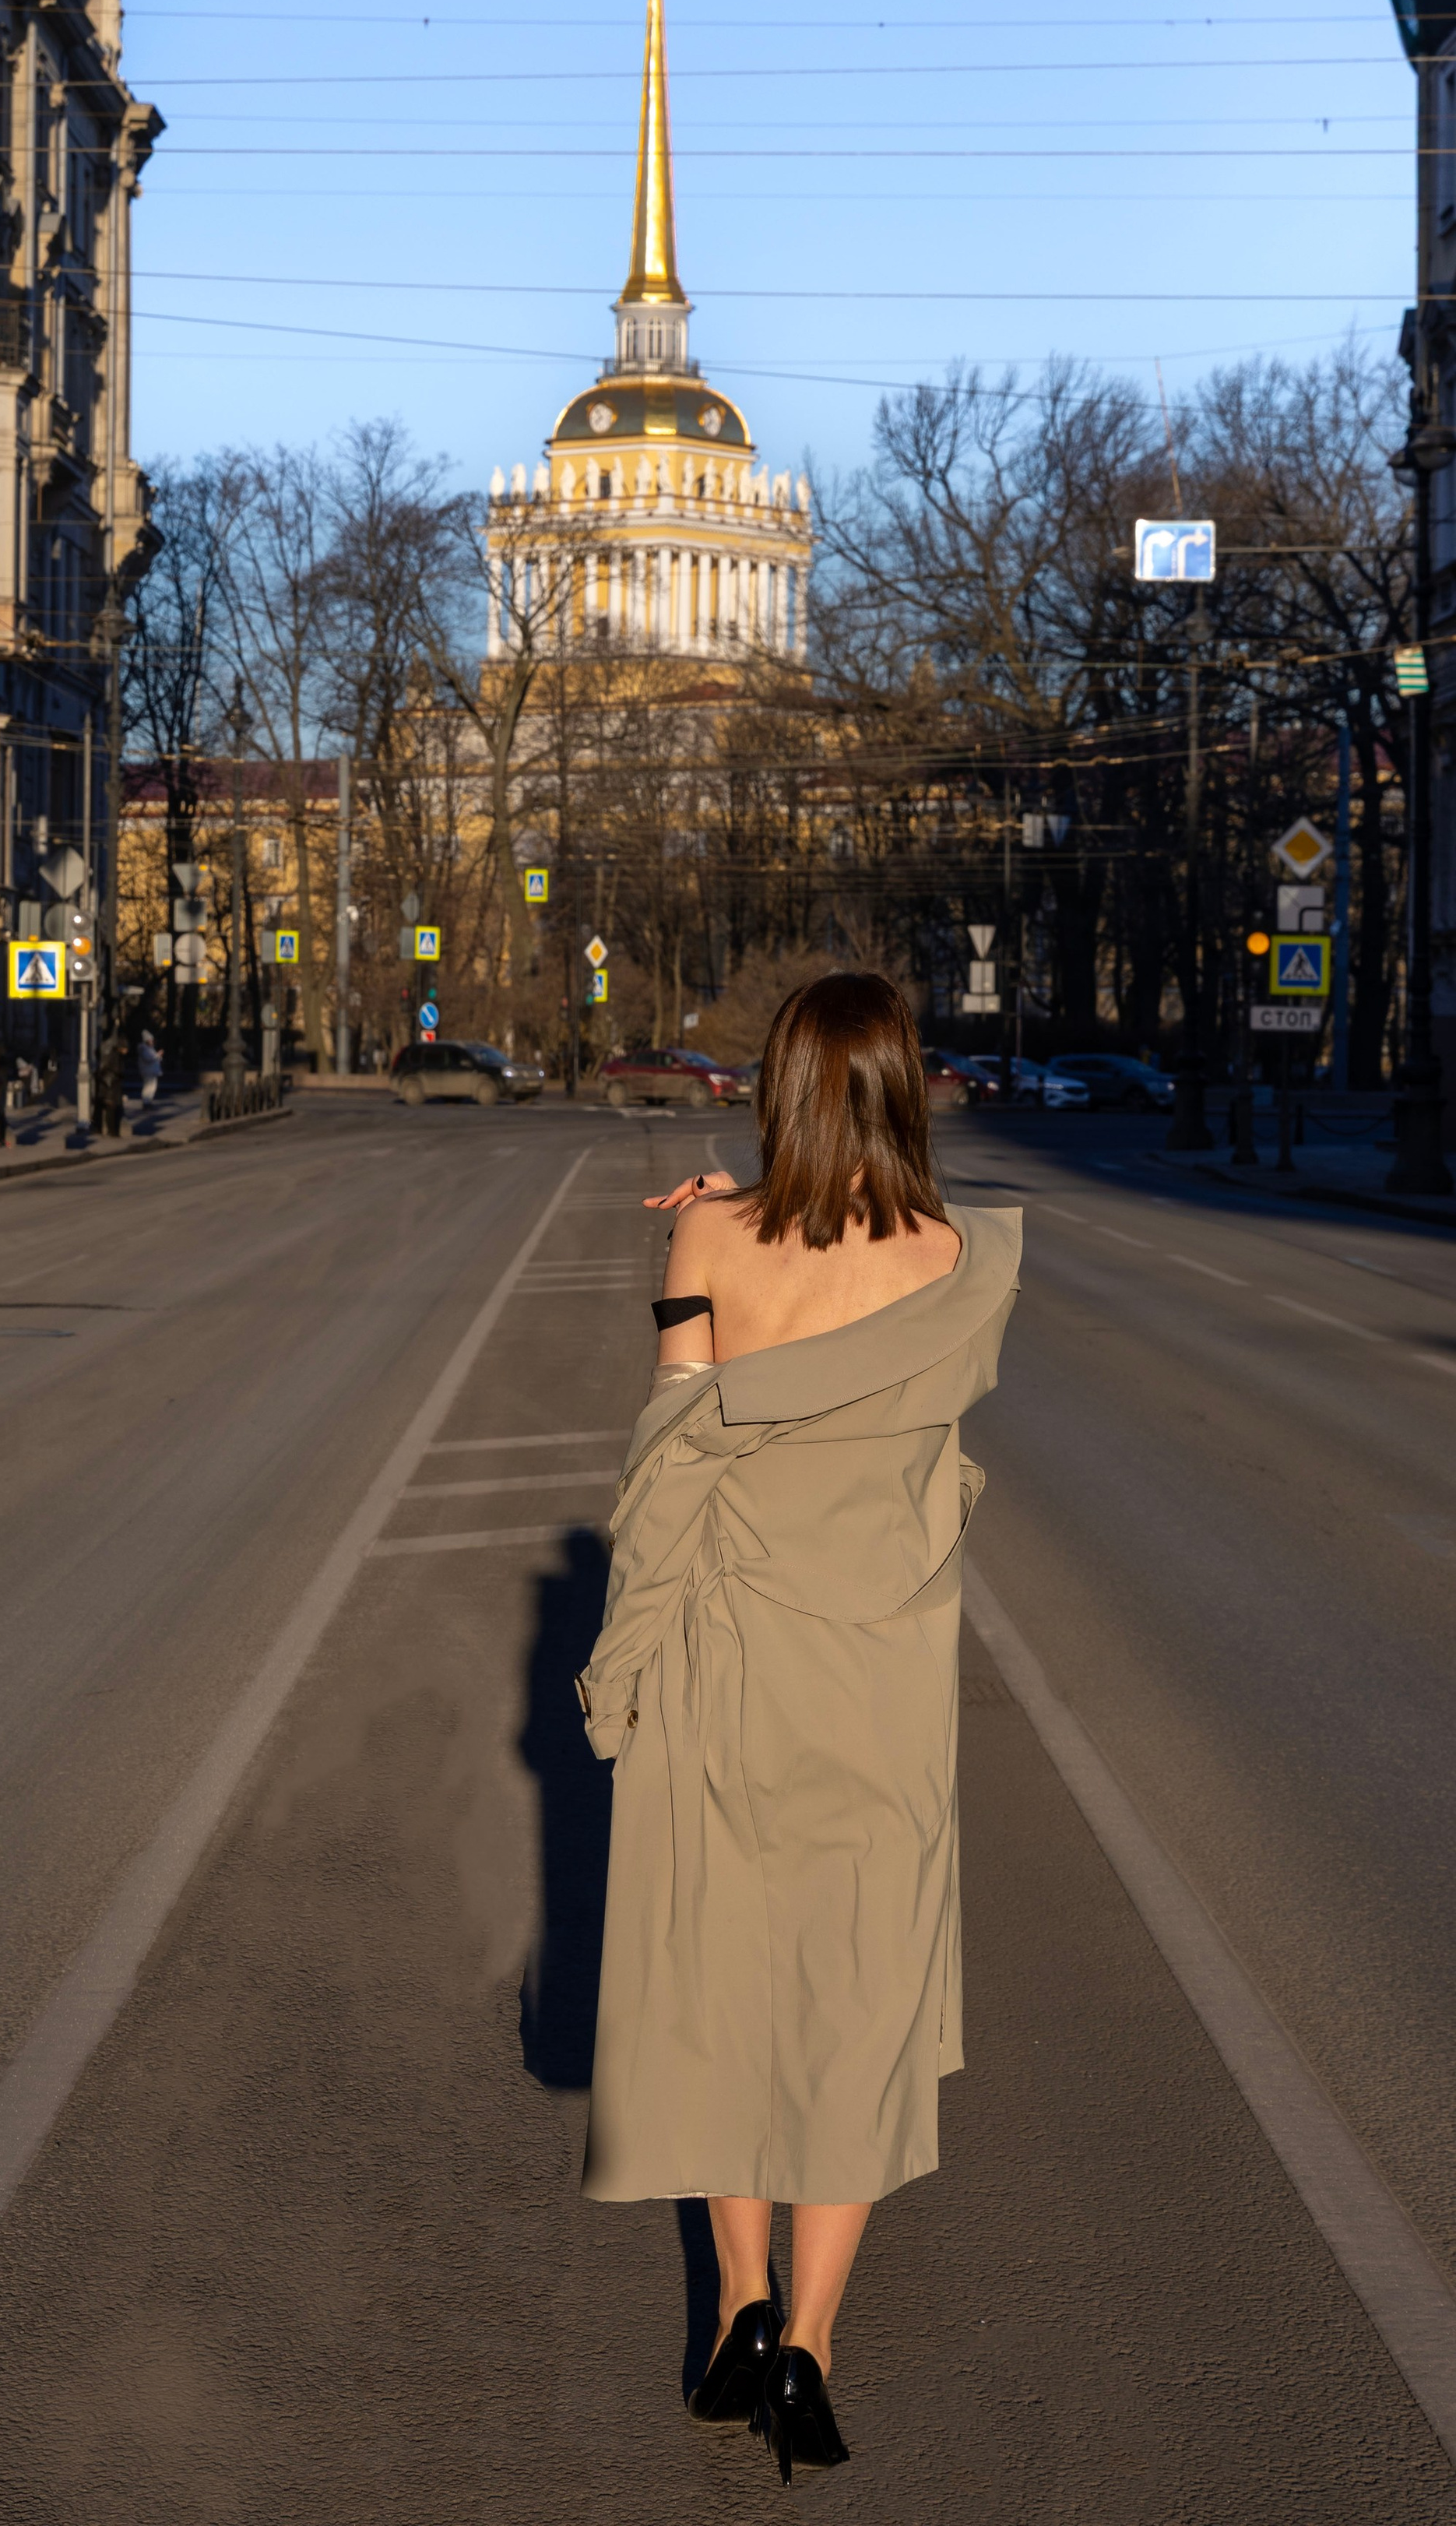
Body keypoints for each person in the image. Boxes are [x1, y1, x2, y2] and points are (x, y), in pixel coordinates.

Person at [579, 973, 1021, 2475]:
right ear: (901, 1084)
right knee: (857, 2006)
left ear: (779, 1086)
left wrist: (618, 1668)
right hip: (881, 1683)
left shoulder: (710, 1236)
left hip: (724, 1656)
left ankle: (741, 2310)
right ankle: (814, 2350)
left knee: (720, 1988)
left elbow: (668, 1479)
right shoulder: (965, 1260)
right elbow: (936, 1455)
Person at [136, 1027, 163, 1113]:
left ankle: (149, 1101)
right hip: (148, 1071)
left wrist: (157, 1056)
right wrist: (157, 1055)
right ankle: (146, 1102)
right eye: (151, 1040)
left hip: (152, 1071)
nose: (152, 1042)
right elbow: (148, 1059)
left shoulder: (150, 1048)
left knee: (152, 1087)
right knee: (148, 1087)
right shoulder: (144, 1049)